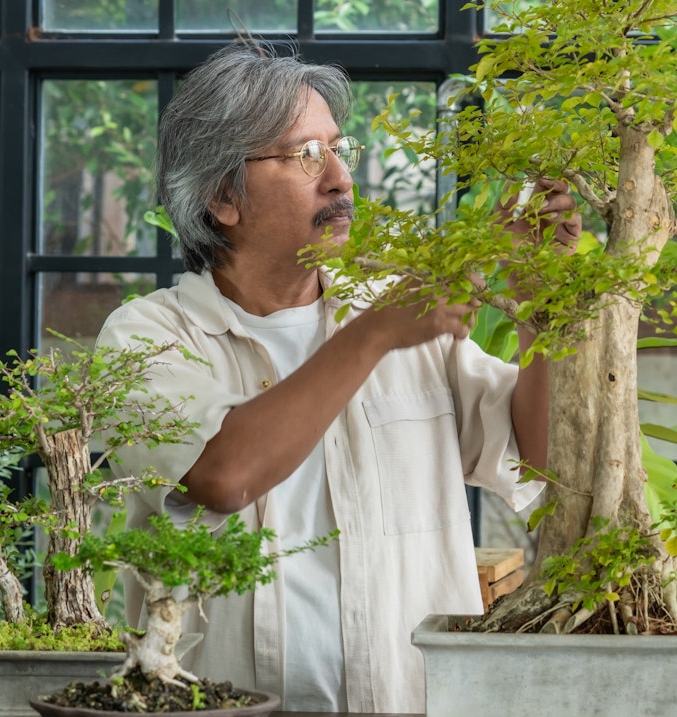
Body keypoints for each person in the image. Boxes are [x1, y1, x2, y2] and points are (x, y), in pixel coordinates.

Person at [97, 40, 579, 714]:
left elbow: (546, 459)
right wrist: (376, 332)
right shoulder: (148, 336)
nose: (342, 178)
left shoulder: (393, 311)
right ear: (221, 198)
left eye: (339, 147)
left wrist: (539, 307)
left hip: (413, 702)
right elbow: (222, 475)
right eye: (305, 156)